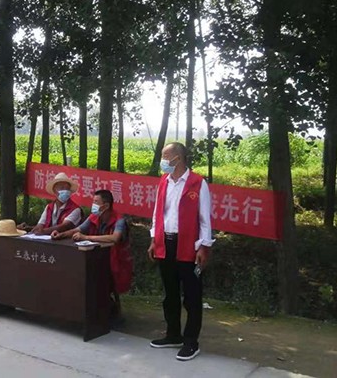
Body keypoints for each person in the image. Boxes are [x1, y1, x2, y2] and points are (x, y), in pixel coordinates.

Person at [147, 142, 212, 361]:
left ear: (178, 158)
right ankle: (173, 334)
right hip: (166, 243)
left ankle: (191, 341)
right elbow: (158, 213)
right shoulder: (164, 181)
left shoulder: (197, 183)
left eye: (166, 156)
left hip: (189, 245)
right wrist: (154, 239)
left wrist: (204, 246)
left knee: (192, 296)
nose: (163, 161)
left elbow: (205, 218)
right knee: (170, 293)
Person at [52, 189, 133, 323]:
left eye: (96, 202)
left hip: (115, 263)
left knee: (95, 279)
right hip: (98, 259)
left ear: (105, 206)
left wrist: (87, 237)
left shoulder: (119, 220)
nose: (93, 205)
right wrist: (61, 234)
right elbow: (78, 229)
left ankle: (108, 313)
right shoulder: (94, 217)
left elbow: (114, 238)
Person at [18, 172, 83, 235]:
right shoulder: (49, 207)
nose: (65, 191)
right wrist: (28, 228)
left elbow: (64, 226)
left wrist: (43, 231)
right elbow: (40, 225)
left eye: (67, 189)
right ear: (54, 191)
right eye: (62, 188)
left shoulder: (75, 209)